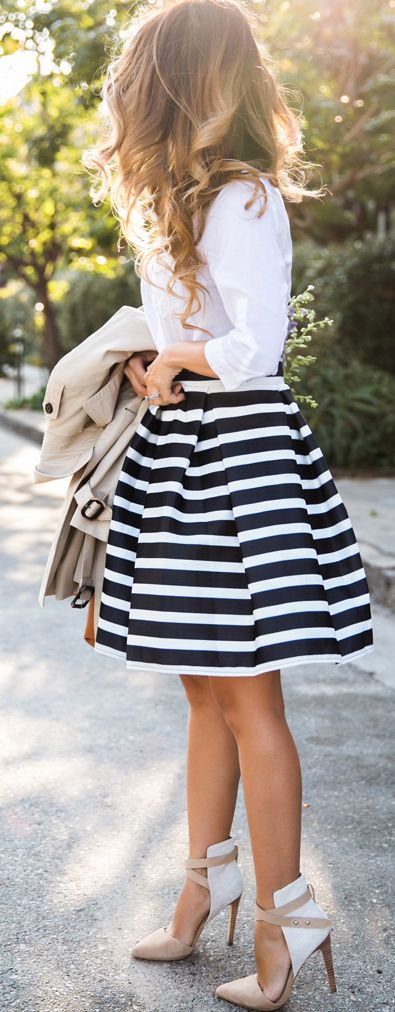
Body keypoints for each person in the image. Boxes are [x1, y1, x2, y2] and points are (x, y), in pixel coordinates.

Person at [83, 1, 374, 1008]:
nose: (122, 92)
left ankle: (285, 928)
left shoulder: (243, 199)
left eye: (135, 75)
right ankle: (197, 900)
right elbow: (194, 336)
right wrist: (150, 362)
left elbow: (251, 352)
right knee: (199, 688)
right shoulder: (167, 202)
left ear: (171, 85)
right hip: (184, 447)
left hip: (239, 453)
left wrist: (177, 354)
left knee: (249, 696)